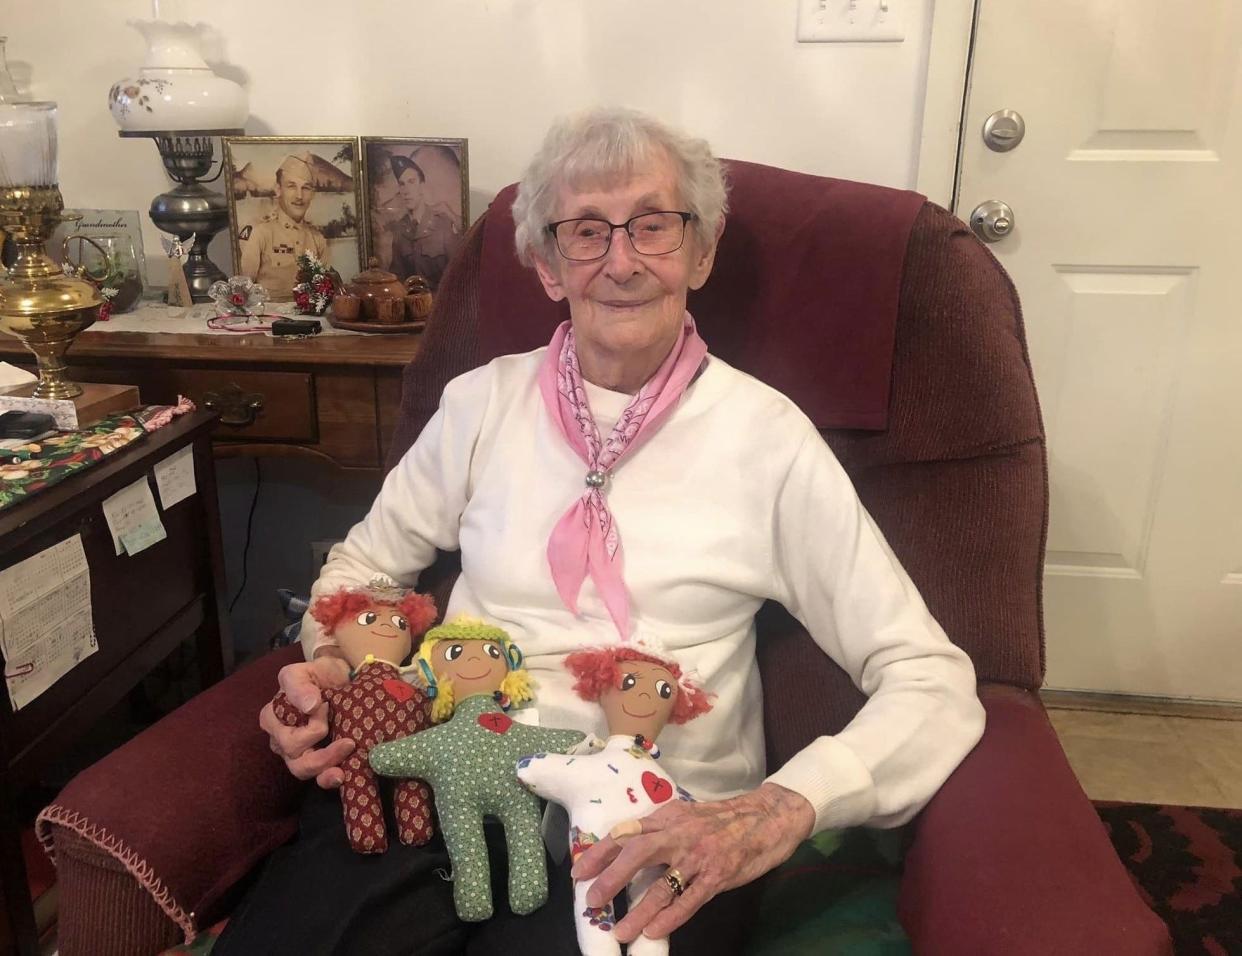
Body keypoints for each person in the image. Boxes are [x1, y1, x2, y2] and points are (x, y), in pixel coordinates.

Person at [234, 108, 986, 955]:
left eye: (652, 226)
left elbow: (928, 677)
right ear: (548, 266)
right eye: (586, 232)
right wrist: (330, 663)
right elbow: (365, 568)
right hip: (445, 776)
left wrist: (778, 810)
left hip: (654, 829)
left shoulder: (768, 440)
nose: (621, 261)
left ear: (701, 251)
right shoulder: (482, 404)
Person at [238, 152, 329, 299]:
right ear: (278, 190)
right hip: (270, 318)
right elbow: (243, 289)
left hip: (310, 319)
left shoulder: (318, 239)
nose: (299, 196)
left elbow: (324, 291)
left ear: (312, 194)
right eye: (291, 186)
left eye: (306, 188)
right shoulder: (260, 233)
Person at [384, 153, 462, 289]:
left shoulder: (443, 223)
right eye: (402, 184)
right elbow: (397, 276)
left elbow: (458, 272)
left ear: (421, 185)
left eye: (411, 182)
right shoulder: (400, 230)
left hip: (440, 304)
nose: (406, 190)